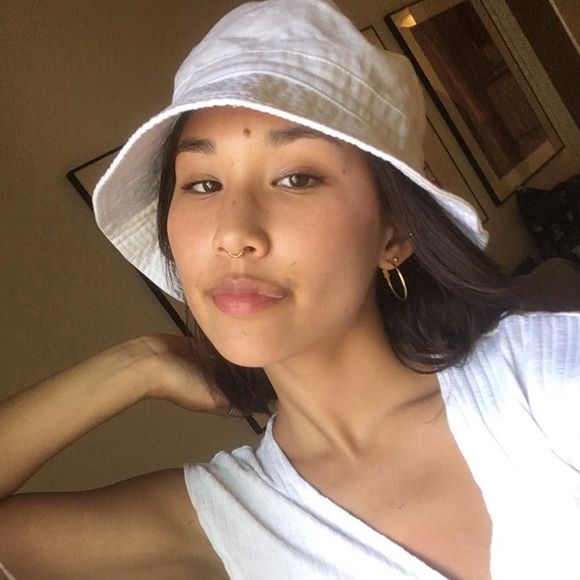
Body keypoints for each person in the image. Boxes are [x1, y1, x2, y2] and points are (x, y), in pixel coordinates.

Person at [0, 0, 578, 578]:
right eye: (202, 184)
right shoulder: (223, 523)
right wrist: (136, 364)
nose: (233, 234)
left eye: (295, 178)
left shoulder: (541, 383)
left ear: (395, 232)